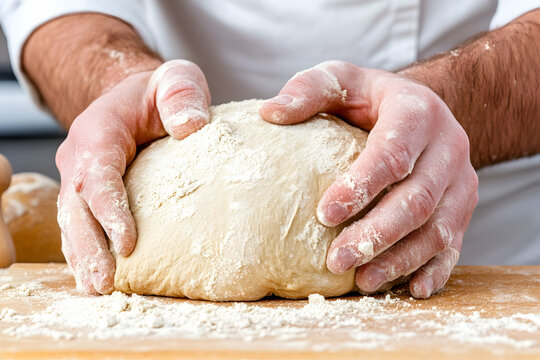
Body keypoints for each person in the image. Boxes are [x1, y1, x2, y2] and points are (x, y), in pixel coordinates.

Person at [1, 1, 539, 299]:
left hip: (504, 260)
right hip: (173, 176)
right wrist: (121, 82)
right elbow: (59, 12)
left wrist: (441, 106)